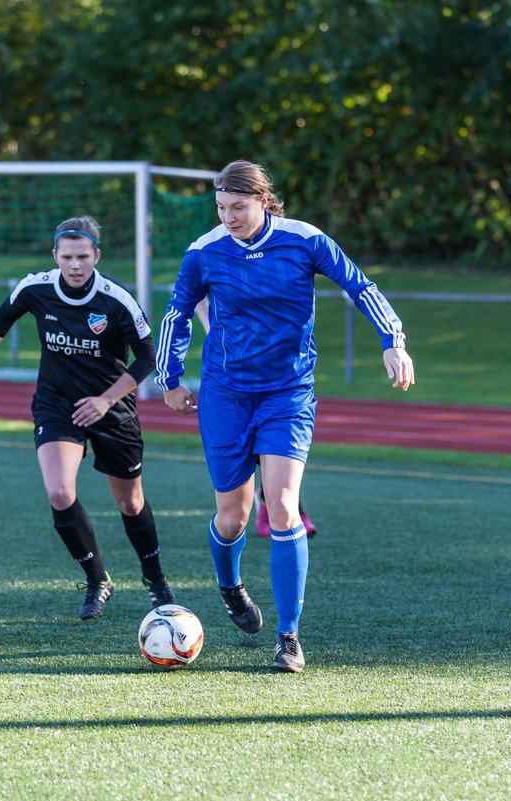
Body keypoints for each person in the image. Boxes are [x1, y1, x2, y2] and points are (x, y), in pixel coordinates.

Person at [156, 160, 414, 673]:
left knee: (282, 507)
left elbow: (360, 285)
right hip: (226, 396)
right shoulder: (204, 251)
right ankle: (230, 587)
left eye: (238, 207)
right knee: (232, 517)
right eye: (221, 208)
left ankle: (289, 637)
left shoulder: (305, 240)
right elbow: (177, 312)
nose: (228, 217)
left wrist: (393, 341)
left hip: (287, 393)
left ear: (263, 201)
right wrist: (169, 379)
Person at [0, 216, 175, 620]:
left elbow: (148, 358)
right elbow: (1, 319)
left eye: (83, 257)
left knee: (130, 502)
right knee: (59, 492)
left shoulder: (116, 299)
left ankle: (155, 581)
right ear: (55, 256)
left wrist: (106, 401)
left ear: (97, 256)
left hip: (112, 408)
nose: (75, 265)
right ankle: (97, 580)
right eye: (67, 257)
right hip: (57, 403)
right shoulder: (36, 287)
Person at [192, 296, 317, 540]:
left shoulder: (286, 260)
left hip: (281, 371)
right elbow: (193, 293)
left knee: (281, 448)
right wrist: (215, 330)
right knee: (232, 519)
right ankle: (266, 504)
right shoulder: (206, 257)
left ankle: (285, 508)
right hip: (232, 377)